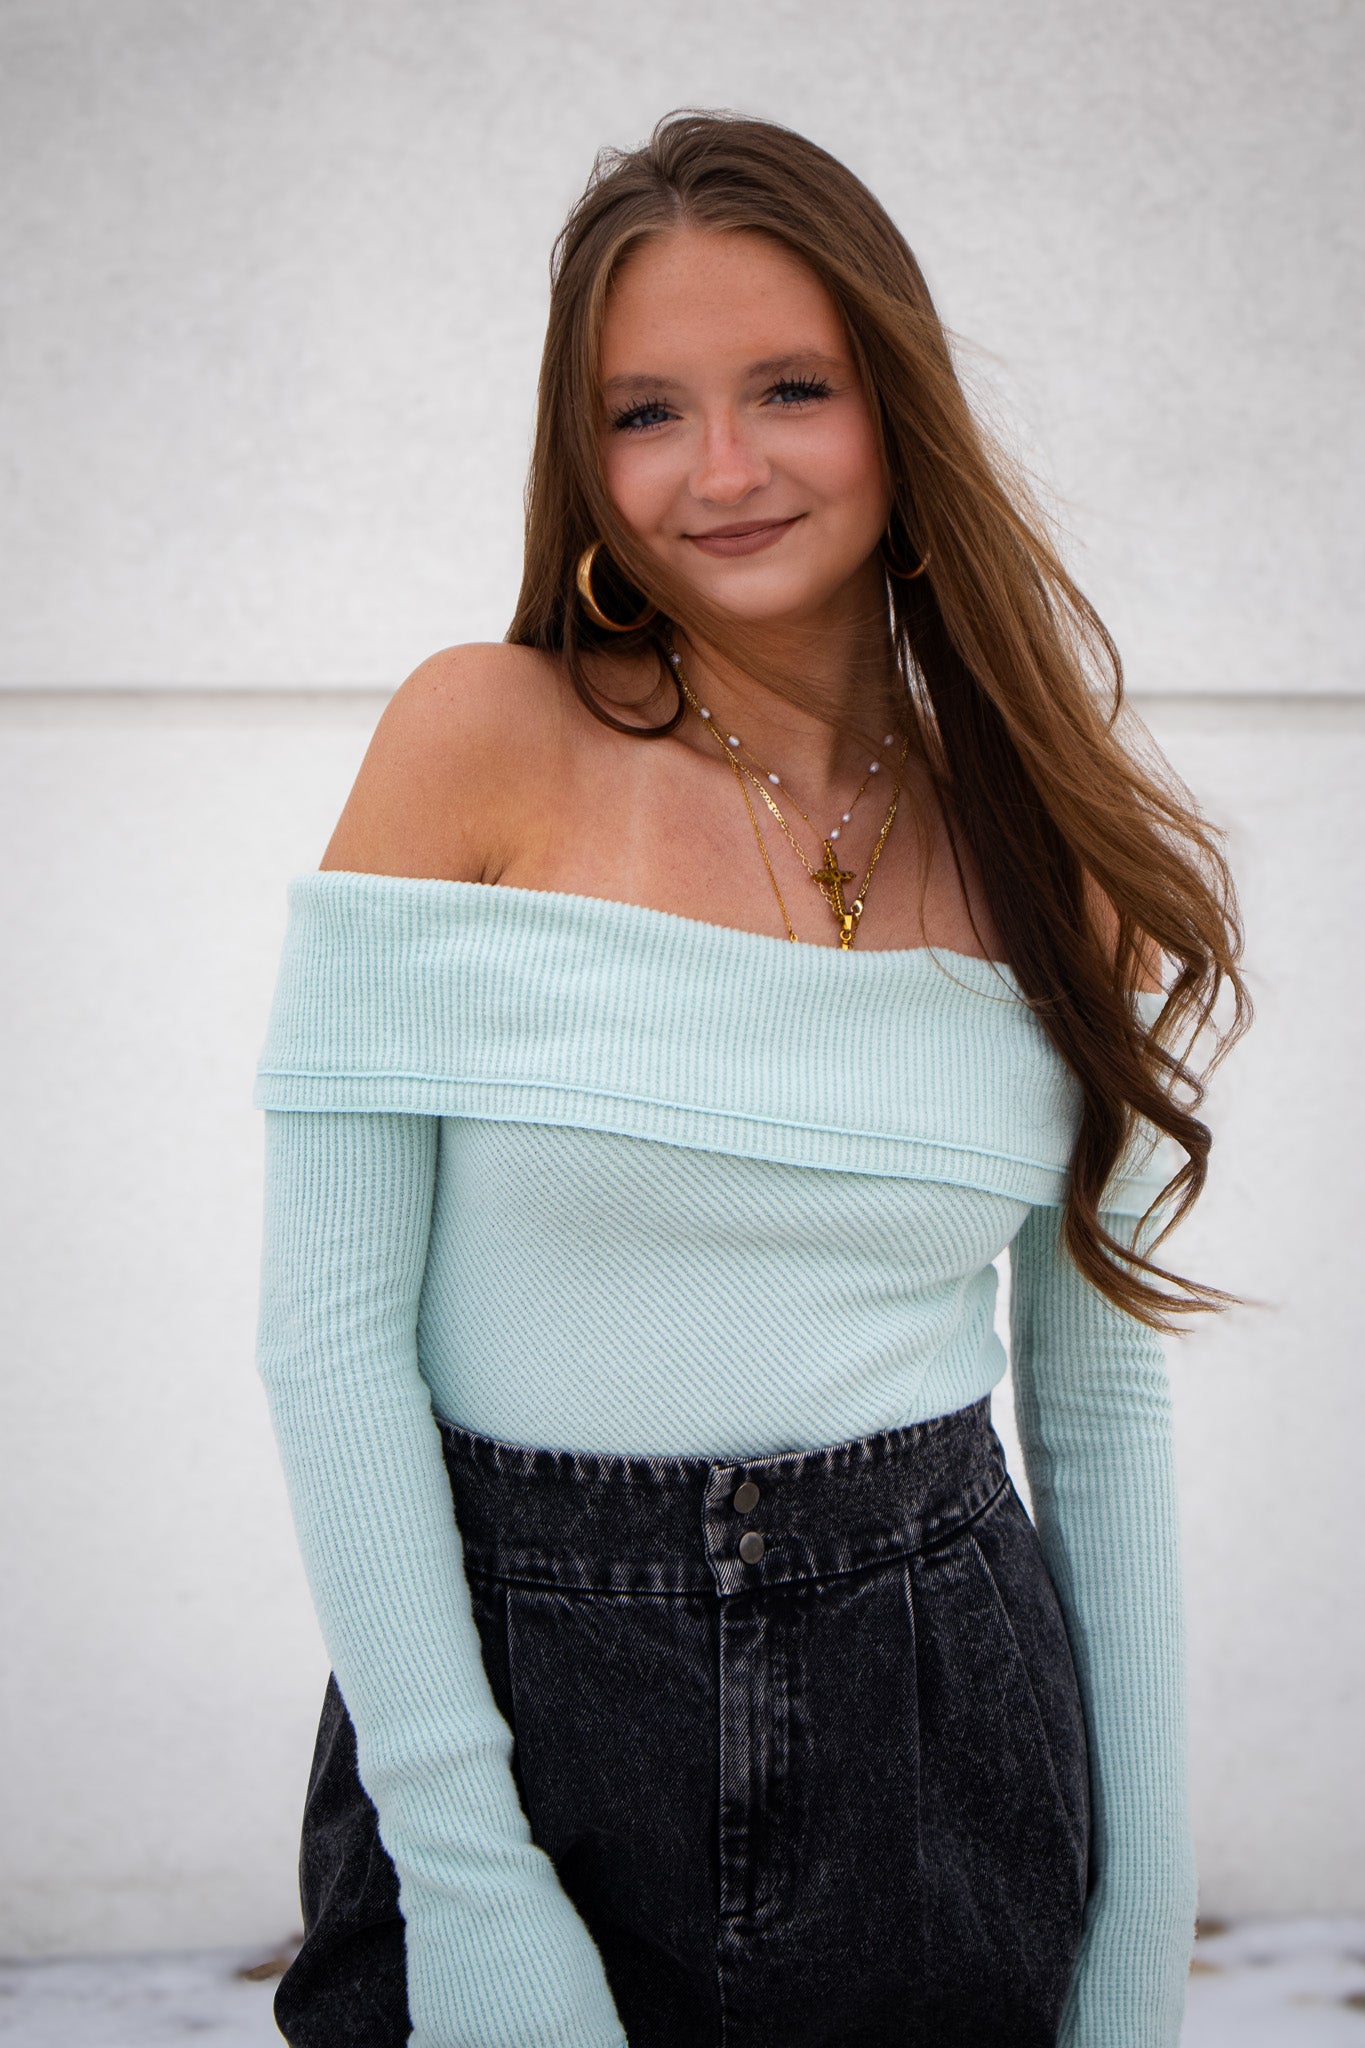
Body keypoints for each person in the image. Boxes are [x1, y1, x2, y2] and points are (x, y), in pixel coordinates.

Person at [252, 110, 1248, 2048]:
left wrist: (1138, 1933)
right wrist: (468, 1872)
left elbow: (1099, 1414)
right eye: (645, 411)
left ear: (896, 401)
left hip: (938, 1726)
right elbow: (326, 1332)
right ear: (581, 450)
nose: (719, 470)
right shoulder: (478, 741)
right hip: (517, 1711)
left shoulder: (1052, 858)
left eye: (788, 386)